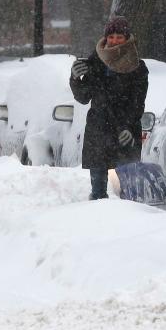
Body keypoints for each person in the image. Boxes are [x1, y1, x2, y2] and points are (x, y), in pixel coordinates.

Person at [69, 16, 149, 200]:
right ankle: (99, 221)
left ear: (127, 38)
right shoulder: (95, 62)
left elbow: (137, 103)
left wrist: (128, 127)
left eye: (119, 37)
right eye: (111, 36)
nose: (114, 41)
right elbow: (83, 96)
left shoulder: (137, 67)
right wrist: (75, 78)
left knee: (129, 189)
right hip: (99, 129)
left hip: (124, 130)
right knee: (98, 190)